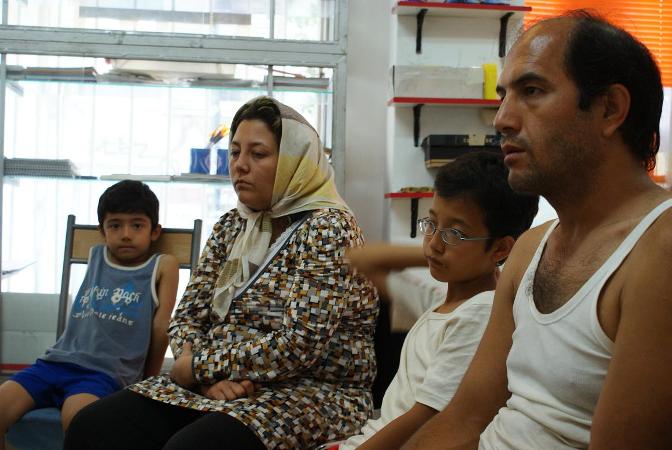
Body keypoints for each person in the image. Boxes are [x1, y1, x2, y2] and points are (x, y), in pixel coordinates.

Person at [403, 9, 672, 450]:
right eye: (504, 95)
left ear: (609, 108)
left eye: (531, 91)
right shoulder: (531, 248)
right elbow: (466, 418)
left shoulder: (658, 249)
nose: (502, 119)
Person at [64, 96, 379, 450]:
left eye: (258, 154)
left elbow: (299, 345)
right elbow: (187, 317)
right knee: (93, 427)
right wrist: (203, 378)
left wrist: (198, 366)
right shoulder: (233, 225)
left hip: (311, 392)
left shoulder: (329, 228)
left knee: (191, 448)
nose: (240, 165)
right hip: (215, 381)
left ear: (295, 162)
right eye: (234, 152)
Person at [339, 152, 538, 450]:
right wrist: (443, 249)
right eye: (431, 224)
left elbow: (424, 418)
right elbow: (365, 260)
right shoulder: (441, 299)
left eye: (455, 233)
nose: (433, 243)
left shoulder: (479, 314)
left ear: (500, 249)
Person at [0, 180, 179, 448]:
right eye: (115, 225)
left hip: (102, 374)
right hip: (53, 364)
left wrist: (147, 382)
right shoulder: (97, 255)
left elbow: (161, 326)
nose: (126, 234)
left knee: (80, 425)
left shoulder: (162, 265)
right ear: (102, 231)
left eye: (137, 225)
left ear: (155, 231)